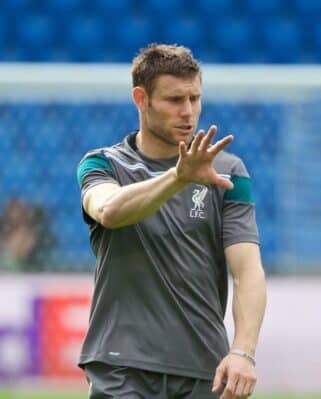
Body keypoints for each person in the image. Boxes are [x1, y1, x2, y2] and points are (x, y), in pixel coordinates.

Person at [76, 44, 266, 399]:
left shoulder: (228, 172)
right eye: (174, 100)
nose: (188, 112)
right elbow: (109, 211)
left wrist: (243, 351)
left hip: (203, 367)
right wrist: (179, 177)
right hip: (121, 366)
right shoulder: (103, 165)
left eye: (195, 98)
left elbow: (247, 270)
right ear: (141, 98)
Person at [0, 198, 55, 271]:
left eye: (16, 210)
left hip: (16, 269)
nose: (14, 214)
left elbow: (25, 251)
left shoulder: (27, 233)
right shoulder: (4, 230)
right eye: (11, 210)